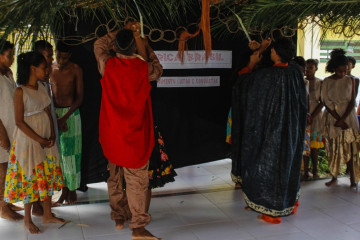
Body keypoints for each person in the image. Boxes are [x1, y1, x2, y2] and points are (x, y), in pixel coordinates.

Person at [94, 27, 162, 240]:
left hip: (112, 133)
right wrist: (146, 46)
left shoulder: (108, 65)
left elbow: (98, 45)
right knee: (136, 182)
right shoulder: (143, 68)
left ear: (115, 47)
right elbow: (159, 69)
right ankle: (139, 227)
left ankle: (118, 216)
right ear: (134, 46)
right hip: (134, 136)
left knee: (114, 175)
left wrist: (116, 32)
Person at [231, 38, 307, 224]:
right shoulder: (295, 71)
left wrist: (251, 64)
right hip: (290, 129)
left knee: (268, 167)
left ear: (275, 53)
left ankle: (271, 212)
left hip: (272, 131)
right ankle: (287, 203)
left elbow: (243, 84)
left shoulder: (267, 76)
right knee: (287, 165)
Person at [4, 51, 66, 233]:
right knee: (29, 178)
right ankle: (28, 220)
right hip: (29, 142)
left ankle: (47, 213)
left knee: (45, 174)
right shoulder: (20, 91)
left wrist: (52, 134)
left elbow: (48, 111)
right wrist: (40, 139)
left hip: (46, 139)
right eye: (44, 67)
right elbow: (19, 121)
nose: (47, 69)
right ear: (32, 68)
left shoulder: (41, 87)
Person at [321, 49, 360, 188]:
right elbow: (326, 102)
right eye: (339, 71)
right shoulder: (326, 81)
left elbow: (352, 102)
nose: (342, 74)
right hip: (333, 117)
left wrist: (343, 119)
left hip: (348, 117)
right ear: (333, 68)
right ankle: (334, 176)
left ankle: (353, 179)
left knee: (351, 146)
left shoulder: (352, 80)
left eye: (345, 71)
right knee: (334, 147)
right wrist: (338, 119)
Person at [50, 41, 83, 204]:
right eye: (58, 56)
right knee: (60, 156)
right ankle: (63, 190)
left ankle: (73, 190)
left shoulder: (75, 69)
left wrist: (64, 117)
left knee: (73, 154)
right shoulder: (50, 68)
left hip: (71, 114)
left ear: (69, 56)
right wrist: (55, 118)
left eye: (64, 57)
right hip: (54, 115)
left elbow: (80, 98)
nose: (61, 60)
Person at [0, 40, 24, 221]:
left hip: (11, 128)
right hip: (2, 132)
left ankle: (7, 202)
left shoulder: (7, 73)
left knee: (9, 169)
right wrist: (2, 136)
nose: (12, 59)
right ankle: (2, 208)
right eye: (9, 55)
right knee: (1, 170)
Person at [305, 59, 324, 179]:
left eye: (311, 67)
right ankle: (305, 171)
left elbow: (322, 101)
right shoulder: (302, 81)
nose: (308, 70)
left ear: (316, 68)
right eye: (306, 68)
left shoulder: (320, 82)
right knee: (305, 144)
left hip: (316, 115)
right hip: (304, 115)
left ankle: (315, 170)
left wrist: (312, 115)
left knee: (314, 145)